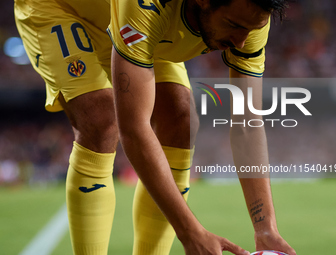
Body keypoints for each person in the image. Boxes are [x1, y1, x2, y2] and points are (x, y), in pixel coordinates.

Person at [14, 0, 295, 254]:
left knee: (180, 116)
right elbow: (134, 130)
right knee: (102, 119)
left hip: (138, 23)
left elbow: (247, 123)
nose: (241, 42)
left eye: (250, 30)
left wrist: (265, 227)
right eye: (233, 26)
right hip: (62, 8)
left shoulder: (251, 16)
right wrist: (190, 232)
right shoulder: (146, 5)